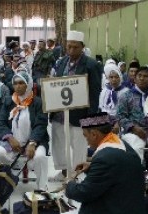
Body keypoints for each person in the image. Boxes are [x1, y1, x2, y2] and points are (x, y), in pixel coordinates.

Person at [64, 112, 145, 214]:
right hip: (130, 208)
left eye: (86, 135)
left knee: (87, 207)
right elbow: (116, 171)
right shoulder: (117, 142)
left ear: (94, 134)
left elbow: (84, 193)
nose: (86, 140)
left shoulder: (105, 158)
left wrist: (69, 185)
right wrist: (91, 166)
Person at [49, 30, 102, 181]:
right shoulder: (61, 62)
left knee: (78, 145)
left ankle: (77, 174)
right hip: (59, 112)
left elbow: (94, 95)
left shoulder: (92, 65)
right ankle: (64, 172)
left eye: (75, 47)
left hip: (80, 115)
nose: (71, 50)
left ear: (82, 47)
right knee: (58, 143)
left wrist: (89, 122)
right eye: (69, 47)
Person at [0, 71, 49, 187]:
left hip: (35, 142)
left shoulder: (38, 102)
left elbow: (41, 124)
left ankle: (42, 187)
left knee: (40, 157)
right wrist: (9, 138)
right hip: (12, 142)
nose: (17, 86)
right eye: (15, 83)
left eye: (21, 83)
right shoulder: (9, 101)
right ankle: (4, 183)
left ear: (28, 84)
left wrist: (32, 143)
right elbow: (1, 123)